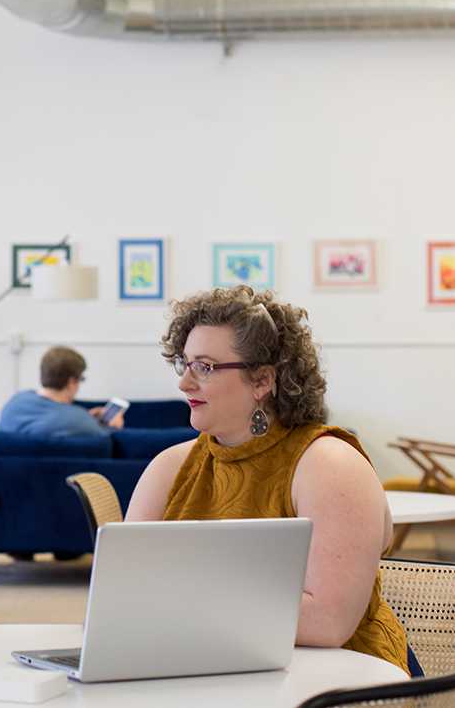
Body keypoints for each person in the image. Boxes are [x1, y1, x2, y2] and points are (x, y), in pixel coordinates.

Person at [125, 285, 411, 674]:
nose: (184, 384)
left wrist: (179, 606)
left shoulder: (329, 464)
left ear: (262, 381)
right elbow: (123, 600)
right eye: (184, 363)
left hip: (340, 678)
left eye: (204, 367)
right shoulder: (168, 468)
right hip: (205, 668)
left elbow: (329, 623)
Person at [0, 346, 124, 439]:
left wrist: (87, 418)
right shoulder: (79, 421)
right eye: (81, 379)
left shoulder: (15, 402)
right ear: (71, 382)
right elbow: (103, 440)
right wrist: (113, 428)